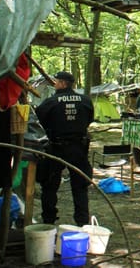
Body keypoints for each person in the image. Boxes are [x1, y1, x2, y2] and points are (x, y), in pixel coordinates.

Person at [35, 71, 94, 227]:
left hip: (56, 147)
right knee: (80, 185)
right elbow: (89, 119)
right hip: (78, 147)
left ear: (62, 83)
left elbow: (39, 119)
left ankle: (48, 219)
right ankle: (82, 221)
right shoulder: (85, 101)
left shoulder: (51, 102)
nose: (55, 84)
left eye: (56, 82)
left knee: (49, 185)